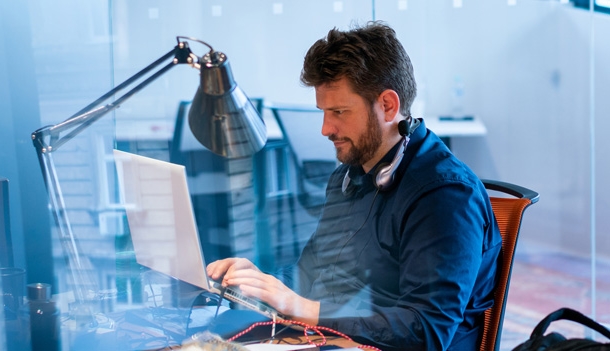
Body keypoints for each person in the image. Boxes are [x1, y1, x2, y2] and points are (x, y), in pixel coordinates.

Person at [207, 21, 501, 351]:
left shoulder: (444, 195)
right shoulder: (350, 176)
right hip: (327, 342)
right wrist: (259, 284)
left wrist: (305, 310)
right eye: (323, 112)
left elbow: (426, 332)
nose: (325, 128)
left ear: (388, 105)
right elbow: (308, 274)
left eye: (339, 112)